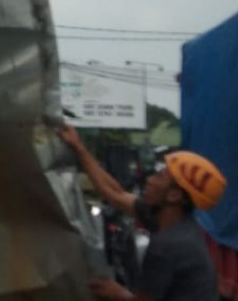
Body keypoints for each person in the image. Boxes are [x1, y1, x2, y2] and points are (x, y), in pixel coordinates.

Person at [58, 124, 226, 301]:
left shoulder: (168, 245)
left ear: (174, 195)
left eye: (159, 176)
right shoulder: (173, 222)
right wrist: (79, 148)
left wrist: (118, 293)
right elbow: (116, 194)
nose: (149, 180)